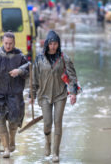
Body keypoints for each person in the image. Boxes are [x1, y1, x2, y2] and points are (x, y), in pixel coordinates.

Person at [31, 30, 78, 162]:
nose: (53, 46)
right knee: (47, 123)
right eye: (51, 44)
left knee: (58, 122)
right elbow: (34, 77)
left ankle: (55, 152)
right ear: (47, 44)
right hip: (44, 95)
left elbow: (72, 76)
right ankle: (48, 143)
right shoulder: (39, 59)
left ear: (58, 44)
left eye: (55, 44)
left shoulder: (64, 58)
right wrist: (32, 94)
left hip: (60, 95)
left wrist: (73, 93)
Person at [0, 32, 29, 158]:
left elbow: (29, 70)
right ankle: (6, 148)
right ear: (2, 42)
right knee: (0, 121)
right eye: (6, 43)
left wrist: (19, 71)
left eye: (10, 44)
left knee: (14, 121)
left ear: (14, 43)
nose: (8, 46)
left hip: (14, 94)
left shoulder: (20, 56)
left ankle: (12, 139)